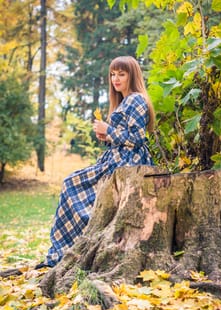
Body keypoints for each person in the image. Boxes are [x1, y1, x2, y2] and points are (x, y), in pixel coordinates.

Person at [35, 55, 155, 269]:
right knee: (72, 184)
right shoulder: (124, 100)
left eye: (121, 74)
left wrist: (109, 130)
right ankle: (66, 250)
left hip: (129, 163)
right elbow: (124, 136)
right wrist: (108, 136)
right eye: (112, 74)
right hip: (117, 158)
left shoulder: (136, 99)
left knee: (74, 185)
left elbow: (137, 139)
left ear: (132, 75)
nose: (115, 79)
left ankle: (72, 249)